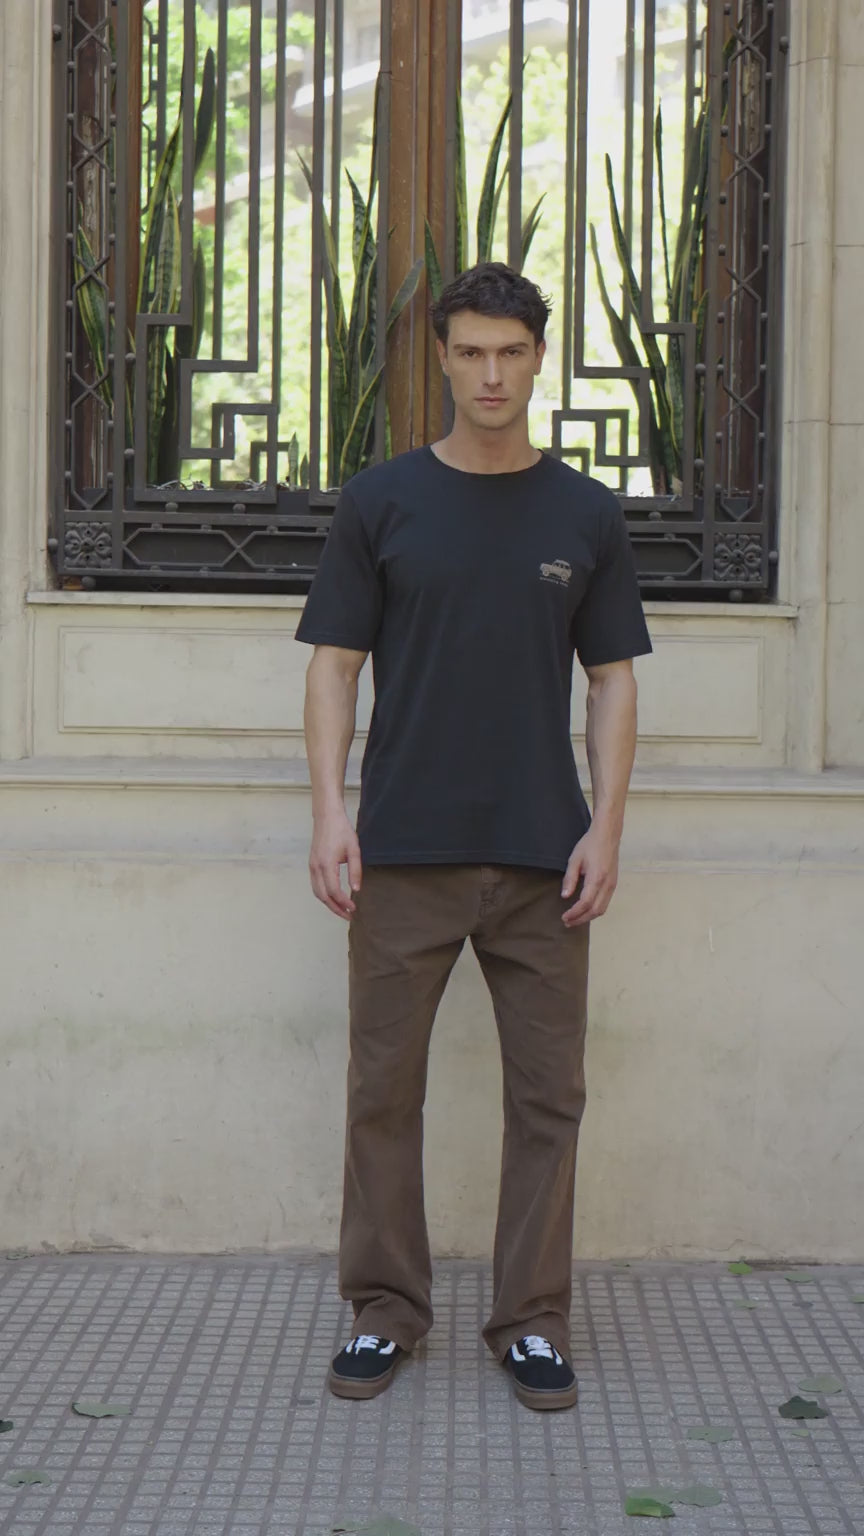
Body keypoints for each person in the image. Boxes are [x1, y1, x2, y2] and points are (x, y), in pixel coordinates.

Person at [295, 261, 652, 1412]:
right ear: (441, 360)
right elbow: (334, 667)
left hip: (547, 858)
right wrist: (331, 812)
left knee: (550, 1099)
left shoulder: (586, 513)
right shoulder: (381, 501)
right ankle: (385, 1311)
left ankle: (532, 1321)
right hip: (403, 851)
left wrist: (607, 828)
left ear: (538, 358)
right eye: (469, 353)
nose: (490, 374)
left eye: (511, 352)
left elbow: (612, 680)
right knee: (382, 1093)